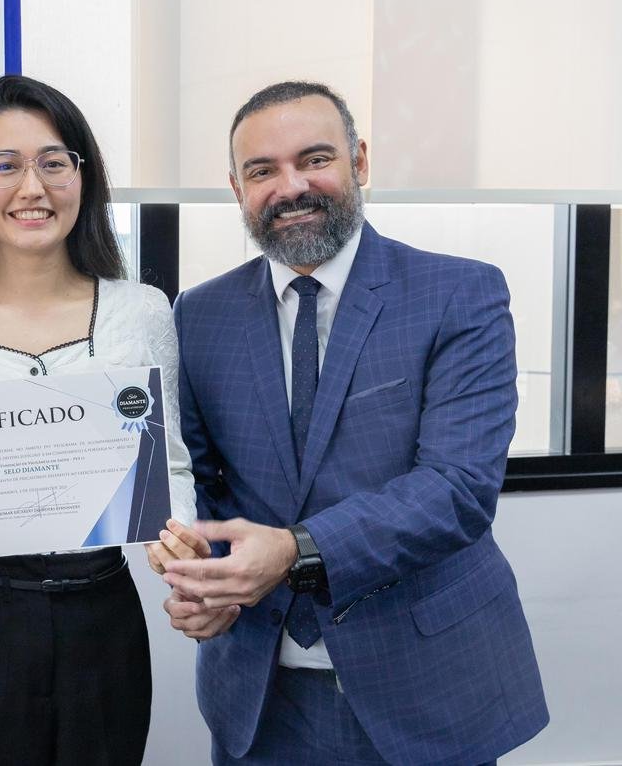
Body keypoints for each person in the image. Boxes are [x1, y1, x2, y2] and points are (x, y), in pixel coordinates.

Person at [163, 80, 549, 764]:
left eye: (315, 159)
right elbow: (201, 481)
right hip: (258, 695)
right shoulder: (199, 314)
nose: (291, 187)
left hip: (425, 690)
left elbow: (458, 489)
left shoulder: (459, 293)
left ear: (360, 161)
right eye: (262, 170)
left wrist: (294, 550)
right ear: (237, 188)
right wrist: (207, 575)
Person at [0, 74, 198, 766]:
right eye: (5, 165)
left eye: (54, 162)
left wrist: (183, 544)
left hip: (104, 617)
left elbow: (169, 464)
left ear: (83, 177)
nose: (33, 187)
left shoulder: (141, 311)